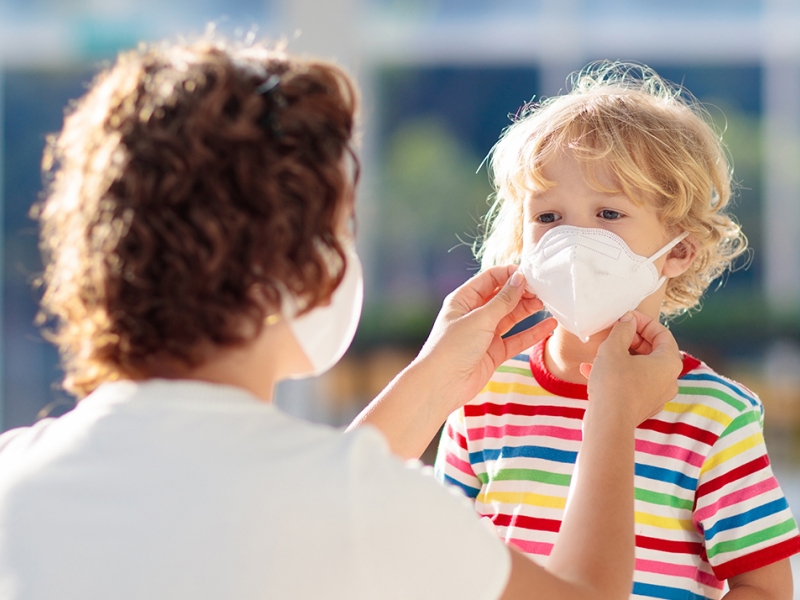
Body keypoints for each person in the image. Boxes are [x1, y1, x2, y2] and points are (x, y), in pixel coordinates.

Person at [0, 39, 680, 600]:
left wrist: (438, 376)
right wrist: (613, 412)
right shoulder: (364, 510)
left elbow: (314, 498)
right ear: (301, 266)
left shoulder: (14, 478)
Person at [434, 62, 800, 600]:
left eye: (608, 213)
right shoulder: (481, 395)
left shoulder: (714, 416)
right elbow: (441, 561)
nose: (576, 239)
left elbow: (765, 588)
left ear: (678, 250)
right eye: (549, 217)